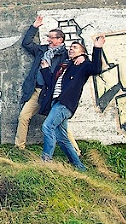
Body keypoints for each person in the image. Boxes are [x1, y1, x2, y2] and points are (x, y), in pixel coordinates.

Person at [14, 16, 81, 154]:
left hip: (52, 94)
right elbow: (26, 43)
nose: (48, 40)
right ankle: (19, 148)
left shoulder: (65, 55)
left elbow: (78, 61)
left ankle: (76, 151)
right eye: (48, 37)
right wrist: (35, 27)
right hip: (36, 90)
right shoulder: (42, 50)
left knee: (60, 124)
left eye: (51, 37)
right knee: (23, 116)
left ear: (60, 40)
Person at [39, 34, 105, 171]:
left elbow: (96, 69)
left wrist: (97, 48)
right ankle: (80, 167)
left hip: (65, 104)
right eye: (70, 48)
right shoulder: (66, 65)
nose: (71, 49)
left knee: (47, 126)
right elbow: (52, 83)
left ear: (82, 52)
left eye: (75, 47)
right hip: (56, 102)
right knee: (62, 138)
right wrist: (45, 68)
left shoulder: (83, 65)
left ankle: (45, 161)